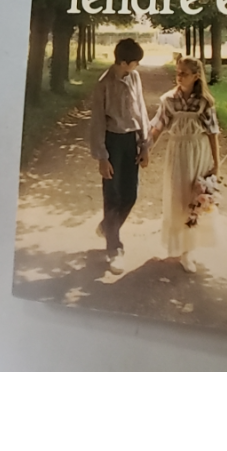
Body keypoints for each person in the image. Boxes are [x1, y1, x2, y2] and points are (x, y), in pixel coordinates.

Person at [149, 56, 220, 273]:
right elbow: (157, 128)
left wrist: (216, 164)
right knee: (177, 198)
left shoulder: (204, 103)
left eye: (184, 74)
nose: (179, 77)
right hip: (177, 153)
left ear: (196, 76)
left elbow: (213, 133)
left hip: (198, 152)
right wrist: (146, 149)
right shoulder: (169, 100)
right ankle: (177, 245)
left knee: (194, 200)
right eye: (177, 72)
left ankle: (188, 251)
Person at [89, 38, 150, 274]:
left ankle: (108, 226)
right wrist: (102, 157)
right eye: (135, 62)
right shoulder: (104, 84)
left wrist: (145, 145)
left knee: (130, 194)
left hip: (131, 140)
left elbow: (141, 110)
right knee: (112, 195)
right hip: (112, 142)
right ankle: (114, 249)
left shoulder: (135, 78)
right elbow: (97, 122)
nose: (137, 66)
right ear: (123, 62)